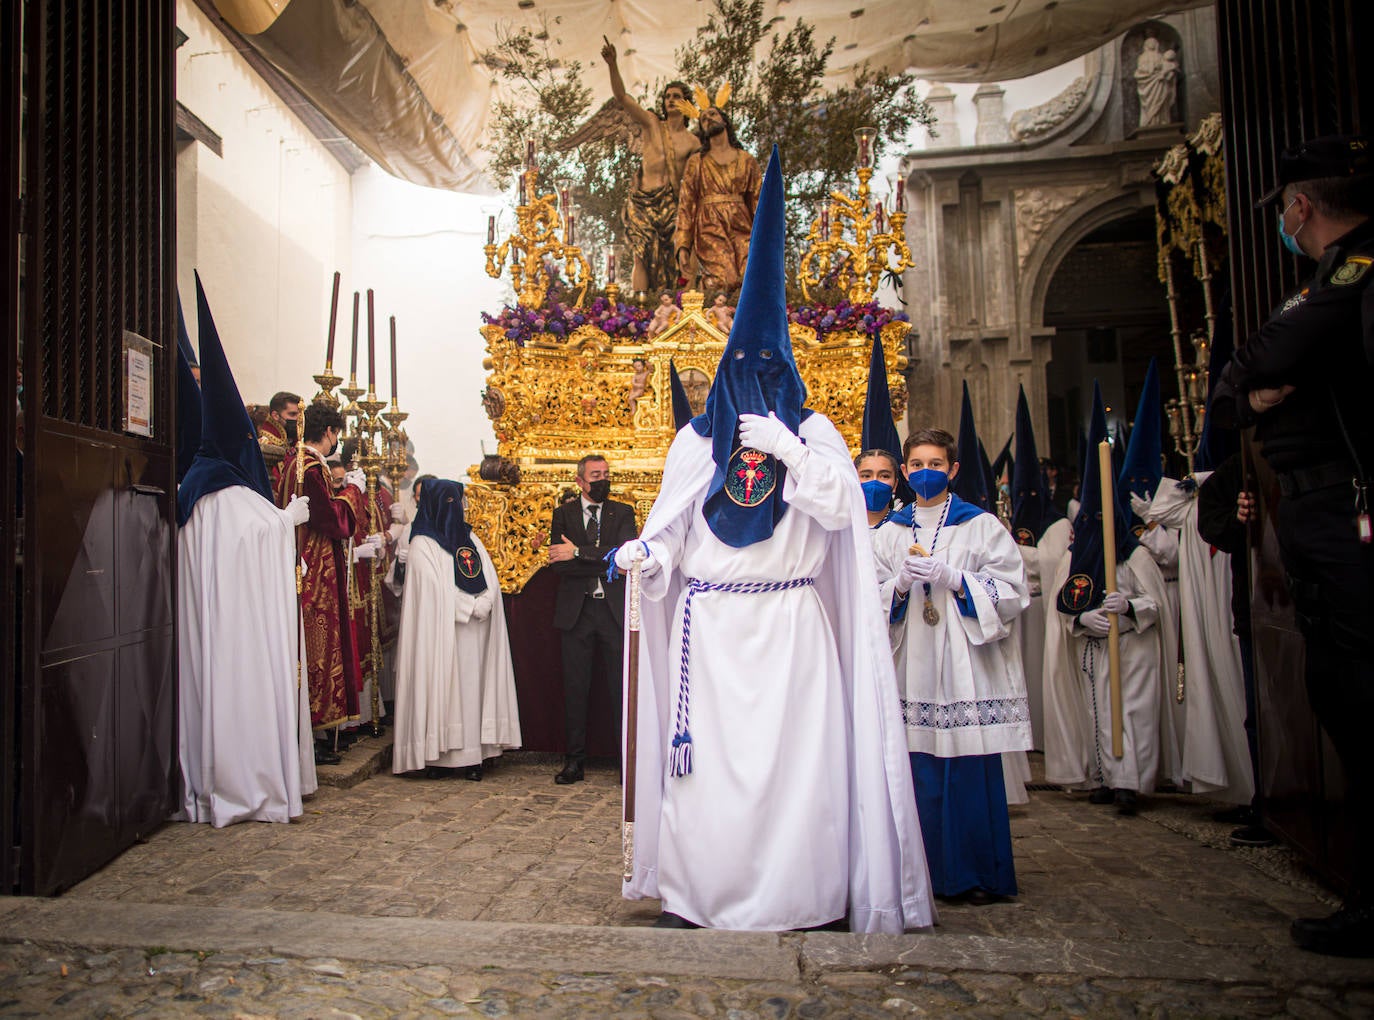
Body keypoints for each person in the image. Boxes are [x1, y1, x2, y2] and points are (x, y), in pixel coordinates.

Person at [615, 147, 933, 933]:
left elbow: (844, 516)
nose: (755, 375)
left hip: (792, 630)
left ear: (787, 371)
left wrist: (793, 452)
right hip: (713, 633)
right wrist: (647, 558)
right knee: (713, 775)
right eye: (742, 365)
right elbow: (676, 529)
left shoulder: (815, 431)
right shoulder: (697, 442)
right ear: (724, 373)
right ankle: (701, 894)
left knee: (798, 771)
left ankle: (803, 895)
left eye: (769, 365)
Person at [1210, 133, 1374, 957]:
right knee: (1338, 689)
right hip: (1320, 511)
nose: (1283, 219)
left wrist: (1258, 385)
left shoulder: (1352, 273)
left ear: (1299, 207)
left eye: (1282, 209)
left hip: (1348, 512)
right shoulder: (1328, 280)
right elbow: (1241, 386)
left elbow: (1255, 366)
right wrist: (1254, 387)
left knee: (1357, 690)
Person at [176, 272, 314, 826]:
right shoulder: (231, 491)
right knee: (236, 695)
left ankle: (204, 787)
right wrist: (287, 520)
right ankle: (245, 785)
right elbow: (256, 538)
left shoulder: (193, 490)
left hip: (207, 630)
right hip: (239, 635)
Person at [871, 428, 1031, 904]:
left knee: (967, 767)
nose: (925, 473)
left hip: (966, 666)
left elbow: (1014, 590)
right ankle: (924, 876)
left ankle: (976, 875)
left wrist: (957, 579)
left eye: (935, 464)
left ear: (953, 469)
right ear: (904, 472)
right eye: (916, 464)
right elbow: (868, 599)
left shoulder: (980, 525)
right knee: (917, 770)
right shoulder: (889, 533)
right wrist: (896, 587)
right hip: (912, 665)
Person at [1043, 384, 1172, 815]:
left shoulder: (1133, 556)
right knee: (1096, 712)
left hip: (1132, 649)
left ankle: (1130, 781)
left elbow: (1157, 605)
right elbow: (1063, 607)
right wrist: (1083, 621)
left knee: (1130, 711)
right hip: (1093, 649)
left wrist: (1131, 608)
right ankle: (1103, 775)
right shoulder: (1076, 558)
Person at [393, 480, 521, 779]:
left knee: (472, 691)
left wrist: (488, 599)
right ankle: (440, 757)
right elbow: (431, 591)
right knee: (446, 689)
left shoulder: (469, 537)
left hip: (475, 634)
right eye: (452, 501)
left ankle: (474, 756)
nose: (459, 508)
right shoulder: (422, 543)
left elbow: (488, 573)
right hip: (443, 633)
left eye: (460, 501)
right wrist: (468, 607)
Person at [275, 402, 369, 764]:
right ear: (329, 432)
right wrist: (352, 493)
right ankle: (313, 732)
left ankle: (313, 732)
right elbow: (333, 521)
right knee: (317, 648)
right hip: (315, 571)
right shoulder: (311, 467)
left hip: (303, 563)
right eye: (336, 435)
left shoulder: (291, 461)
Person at [547, 454, 638, 784]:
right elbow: (560, 565)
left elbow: (626, 557)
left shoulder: (623, 512)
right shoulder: (564, 514)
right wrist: (602, 557)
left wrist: (579, 553)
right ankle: (575, 762)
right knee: (576, 689)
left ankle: (625, 763)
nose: (602, 479)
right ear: (580, 481)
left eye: (606, 473)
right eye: (595, 475)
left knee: (619, 689)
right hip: (577, 613)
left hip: (613, 612)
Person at [598, 42, 695, 293]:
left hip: (671, 204)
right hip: (642, 200)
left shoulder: (693, 142)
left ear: (687, 103)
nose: (671, 100)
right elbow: (622, 98)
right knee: (640, 254)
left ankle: (674, 305)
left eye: (677, 96)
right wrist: (612, 65)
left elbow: (697, 180)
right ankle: (639, 307)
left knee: (673, 258)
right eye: (668, 96)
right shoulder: (652, 124)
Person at [1010, 387, 1070, 753]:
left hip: (1044, 606)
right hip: (1021, 614)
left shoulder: (1060, 522)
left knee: (1044, 675)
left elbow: (1054, 560)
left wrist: (1020, 553)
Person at [674, 103, 761, 293]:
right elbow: (686, 205)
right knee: (724, 278)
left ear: (725, 120)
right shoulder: (697, 162)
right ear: (702, 130)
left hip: (742, 224)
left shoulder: (746, 160)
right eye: (703, 119)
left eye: (712, 114)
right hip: (710, 226)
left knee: (750, 276)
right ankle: (707, 310)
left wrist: (766, 238)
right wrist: (682, 245)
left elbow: (758, 202)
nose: (709, 119)